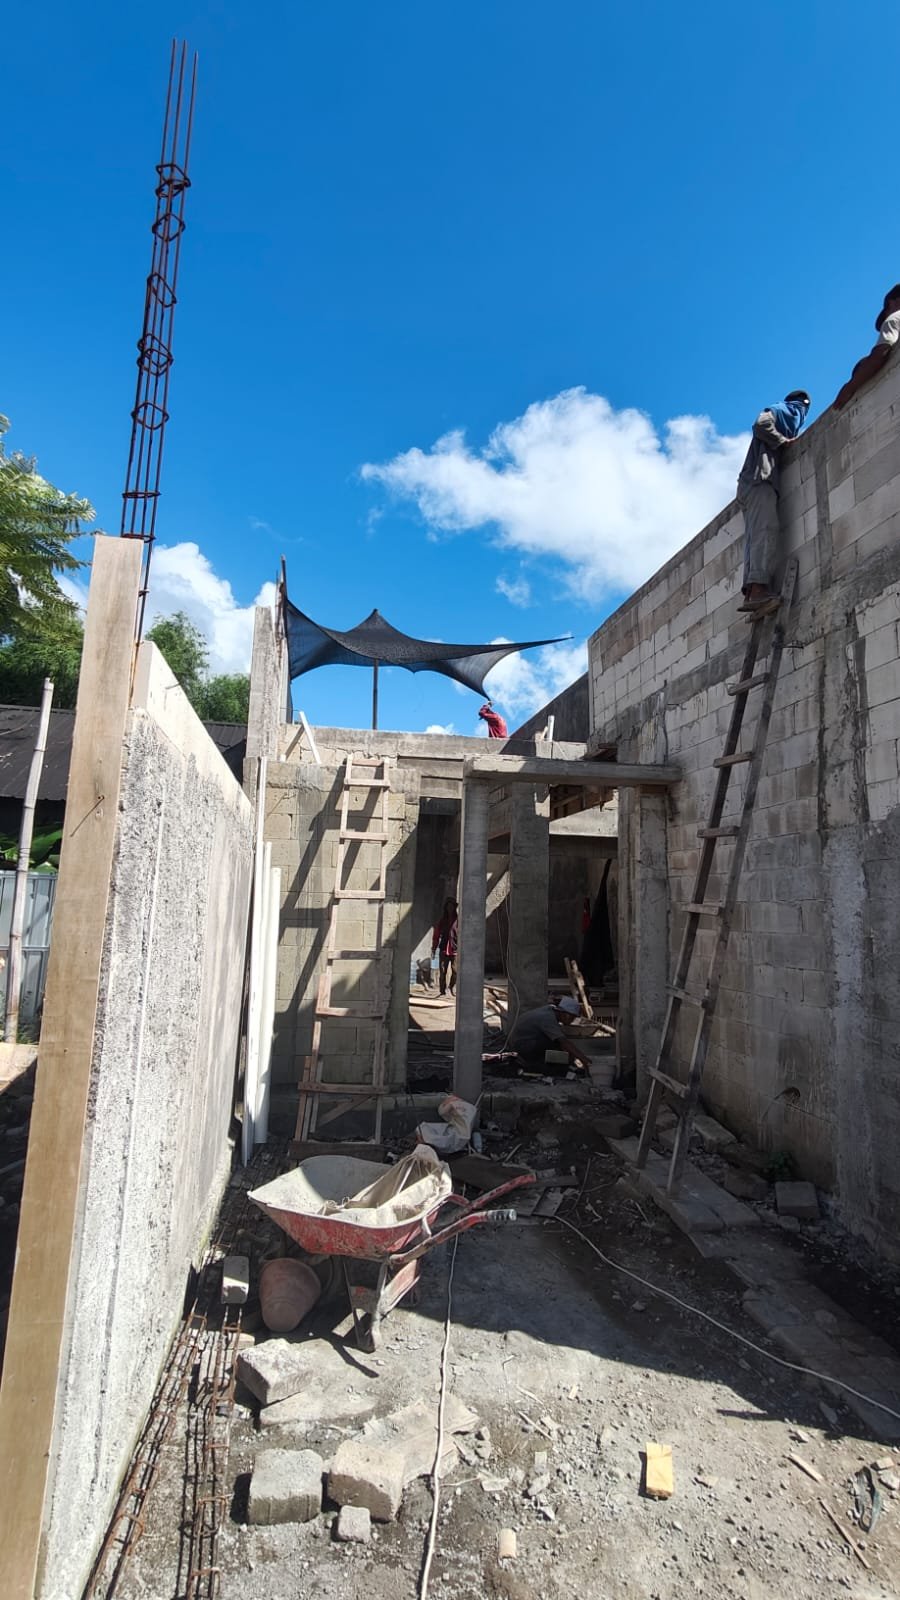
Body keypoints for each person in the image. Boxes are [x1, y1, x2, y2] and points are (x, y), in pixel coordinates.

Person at [736, 390, 811, 614]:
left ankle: (752, 592)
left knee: (755, 535)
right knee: (765, 530)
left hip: (750, 483)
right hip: (760, 478)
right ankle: (758, 589)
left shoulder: (787, 411)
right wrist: (782, 441)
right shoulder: (789, 409)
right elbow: (761, 424)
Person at [834, 284, 900, 410]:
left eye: (886, 312)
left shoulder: (894, 318)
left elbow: (880, 354)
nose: (887, 317)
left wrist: (849, 387)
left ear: (892, 303)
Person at [505, 996, 593, 1073]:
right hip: (523, 1045)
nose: (572, 1021)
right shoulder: (547, 1018)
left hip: (526, 1040)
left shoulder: (550, 1011)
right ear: (566, 1014)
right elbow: (564, 1042)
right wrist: (585, 1060)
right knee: (556, 1043)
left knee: (560, 1046)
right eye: (572, 1018)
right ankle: (533, 1064)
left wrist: (572, 1058)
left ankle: (561, 1064)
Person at [431, 897, 459, 996]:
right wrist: (434, 948)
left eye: (452, 906)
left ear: (454, 907)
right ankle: (442, 990)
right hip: (443, 949)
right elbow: (436, 935)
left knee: (455, 971)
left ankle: (451, 987)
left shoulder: (458, 920)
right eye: (448, 906)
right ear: (446, 908)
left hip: (455, 949)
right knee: (443, 971)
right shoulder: (442, 921)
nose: (450, 908)